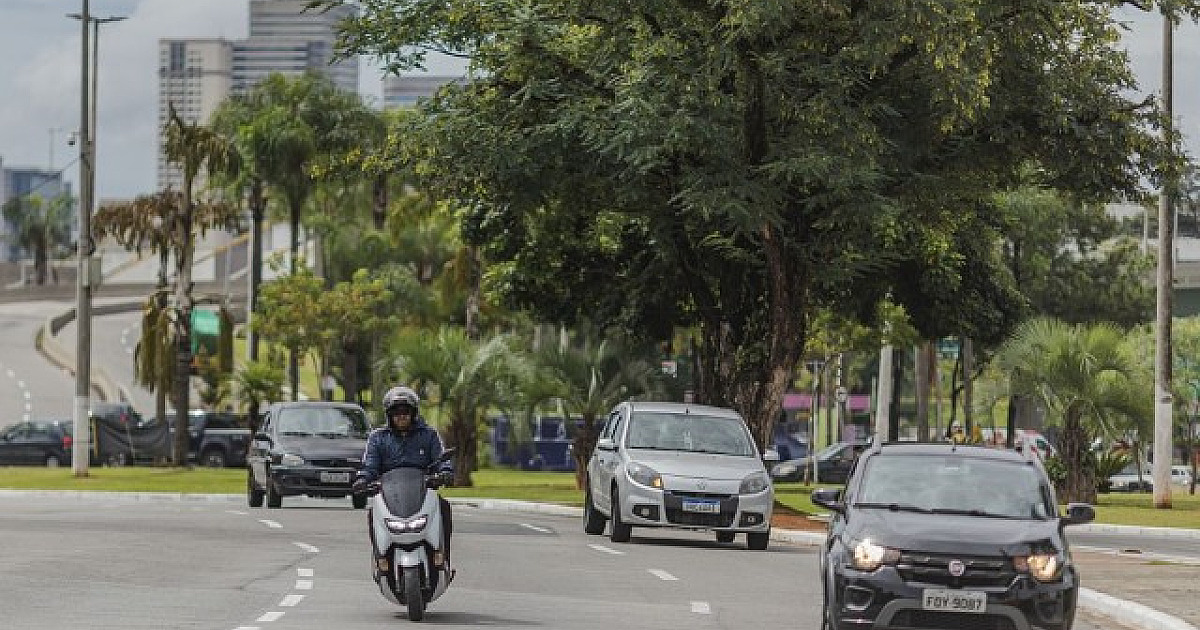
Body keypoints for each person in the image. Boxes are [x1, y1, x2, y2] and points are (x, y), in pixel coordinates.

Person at [353, 386, 454, 567]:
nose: (401, 416)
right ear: (389, 415)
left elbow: (440, 459)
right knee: (372, 513)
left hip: (423, 492)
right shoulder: (378, 438)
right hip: (390, 494)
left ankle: (442, 557)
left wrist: (445, 472)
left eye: (405, 411)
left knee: (444, 507)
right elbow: (370, 464)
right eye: (396, 412)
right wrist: (362, 479)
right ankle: (381, 560)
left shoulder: (429, 435)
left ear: (413, 413)